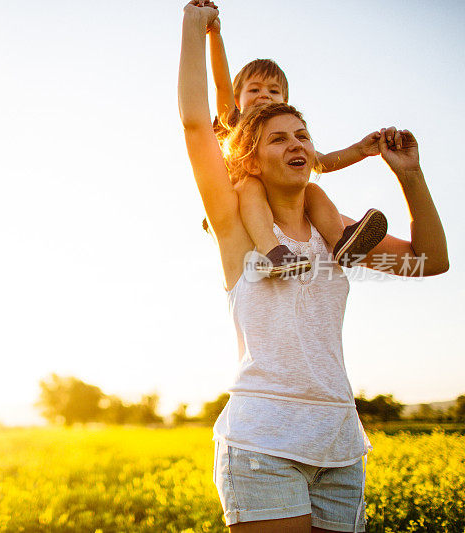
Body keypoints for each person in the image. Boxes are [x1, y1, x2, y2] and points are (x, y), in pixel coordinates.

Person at [177, 3, 448, 532]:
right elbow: (193, 123)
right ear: (250, 160)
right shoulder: (235, 226)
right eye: (278, 138)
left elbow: (427, 262)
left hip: (340, 444)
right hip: (263, 444)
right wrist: (194, 29)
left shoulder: (338, 233)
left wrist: (411, 176)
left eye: (301, 135)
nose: (296, 143)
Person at [205, 12, 388, 278]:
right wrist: (214, 34)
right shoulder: (235, 121)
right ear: (237, 98)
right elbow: (221, 81)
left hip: (282, 197)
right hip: (239, 203)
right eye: (254, 89)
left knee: (312, 189)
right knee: (251, 185)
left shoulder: (288, 131)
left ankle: (342, 240)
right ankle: (274, 252)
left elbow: (321, 163)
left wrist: (360, 150)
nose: (264, 94)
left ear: (285, 99)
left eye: (273, 90)